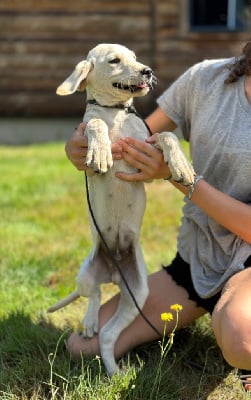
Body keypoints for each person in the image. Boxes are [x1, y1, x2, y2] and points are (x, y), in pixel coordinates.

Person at [65, 41, 251, 389]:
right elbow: (137, 133)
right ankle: (218, 309)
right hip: (198, 261)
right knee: (83, 346)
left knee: (242, 339)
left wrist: (182, 180)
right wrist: (80, 147)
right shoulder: (205, 78)